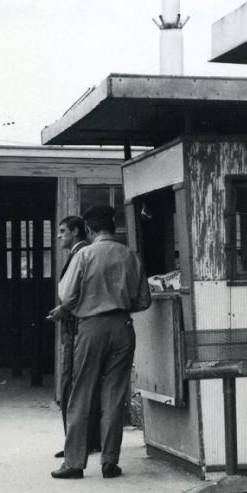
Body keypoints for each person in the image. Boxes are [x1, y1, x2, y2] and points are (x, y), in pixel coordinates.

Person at [49, 204, 151, 479]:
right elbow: (144, 300)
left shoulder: (84, 255)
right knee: (115, 395)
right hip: (123, 327)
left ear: (90, 230)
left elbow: (67, 297)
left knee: (82, 392)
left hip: (91, 328)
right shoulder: (130, 255)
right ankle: (109, 461)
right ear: (115, 228)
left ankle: (74, 463)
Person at [53, 215, 102, 459]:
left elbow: (72, 293)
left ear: (75, 231)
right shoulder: (82, 254)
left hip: (74, 328)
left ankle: (76, 442)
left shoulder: (80, 255)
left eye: (63, 231)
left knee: (70, 386)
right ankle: (86, 440)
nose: (59, 235)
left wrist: (64, 309)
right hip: (78, 326)